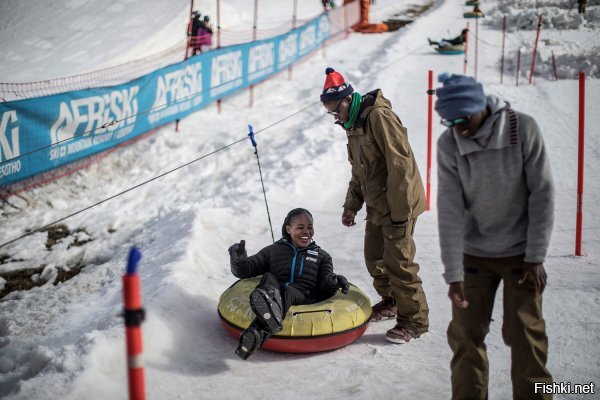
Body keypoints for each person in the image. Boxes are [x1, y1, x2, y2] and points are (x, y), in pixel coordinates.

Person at [434, 73, 555, 399]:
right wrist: (453, 274)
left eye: (463, 118)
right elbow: (449, 210)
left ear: (480, 107)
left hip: (520, 254)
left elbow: (542, 193)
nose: (459, 127)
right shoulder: (449, 143)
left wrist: (536, 256)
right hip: (474, 256)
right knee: (465, 337)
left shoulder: (522, 128)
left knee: (525, 336)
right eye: (449, 120)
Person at [319, 67, 429, 343]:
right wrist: (351, 204)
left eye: (336, 111)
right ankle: (392, 302)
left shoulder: (378, 117)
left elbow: (400, 165)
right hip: (378, 204)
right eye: (331, 113)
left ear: (347, 100)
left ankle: (415, 321)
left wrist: (400, 215)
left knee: (399, 263)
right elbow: (359, 171)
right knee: (375, 258)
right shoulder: (352, 125)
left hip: (398, 204)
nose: (335, 117)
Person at [228, 208, 350, 360]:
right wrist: (238, 261)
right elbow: (247, 270)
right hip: (275, 294)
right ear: (288, 229)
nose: (306, 231)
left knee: (289, 291)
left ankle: (260, 329)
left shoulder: (322, 256)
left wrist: (334, 282)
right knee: (268, 276)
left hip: (303, 295)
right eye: (300, 227)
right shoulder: (273, 250)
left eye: (310, 227)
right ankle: (266, 315)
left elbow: (324, 286)